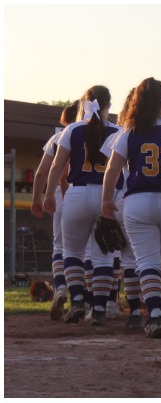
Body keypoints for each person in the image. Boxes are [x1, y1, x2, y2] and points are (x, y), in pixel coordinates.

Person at [100, 78, 161, 336]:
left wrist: (106, 201)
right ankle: (158, 310)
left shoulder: (130, 130)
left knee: (146, 261)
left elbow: (113, 169)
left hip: (138, 201)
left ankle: (156, 314)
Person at [42, 86, 119, 324]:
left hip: (77, 194)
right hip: (108, 195)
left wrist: (48, 194)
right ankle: (98, 310)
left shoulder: (73, 129)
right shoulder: (118, 130)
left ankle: (76, 301)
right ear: (108, 104)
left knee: (72, 252)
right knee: (103, 257)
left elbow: (57, 166)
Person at [29, 102, 79, 317]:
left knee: (60, 246)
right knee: (90, 250)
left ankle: (60, 288)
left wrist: (37, 198)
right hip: (89, 191)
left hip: (61, 192)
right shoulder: (97, 133)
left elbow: (41, 173)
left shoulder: (58, 137)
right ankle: (92, 299)